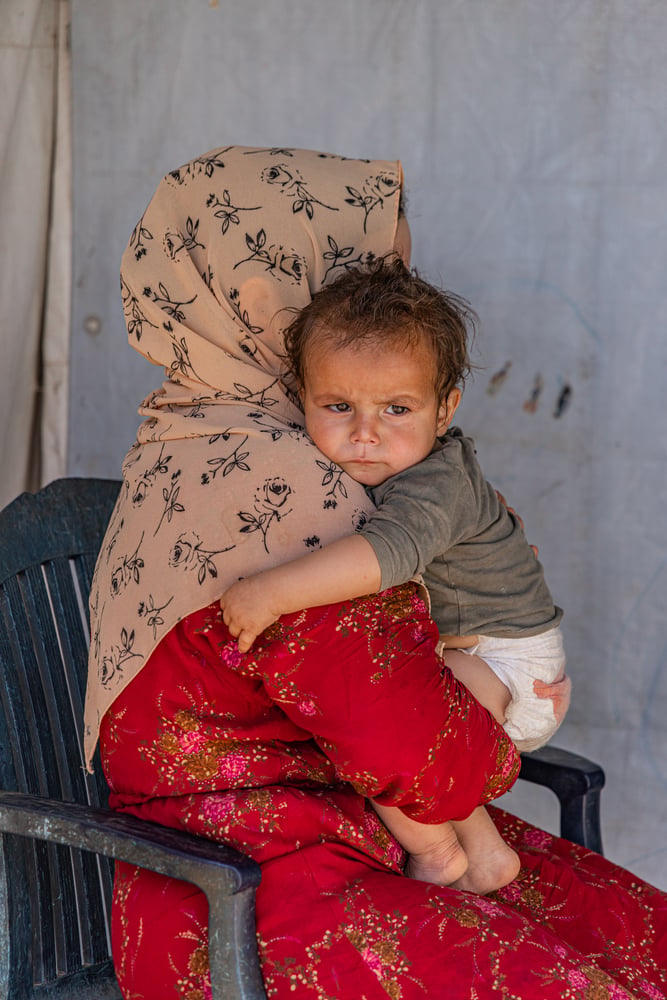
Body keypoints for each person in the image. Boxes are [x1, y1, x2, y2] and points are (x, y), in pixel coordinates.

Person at [85, 144, 667, 999]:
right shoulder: (286, 497)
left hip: (310, 843)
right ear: (278, 297)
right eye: (362, 270)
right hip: (255, 891)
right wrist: (508, 708)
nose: (385, 298)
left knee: (629, 935)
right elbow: (425, 757)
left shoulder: (195, 439)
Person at [218, 255, 570, 895]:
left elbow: (383, 555)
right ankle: (485, 852)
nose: (365, 434)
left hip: (507, 661)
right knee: (391, 715)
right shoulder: (362, 465)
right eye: (337, 405)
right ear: (302, 398)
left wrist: (269, 592)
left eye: (397, 409)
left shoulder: (435, 483)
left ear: (445, 410)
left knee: (384, 723)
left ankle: (439, 851)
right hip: (482, 651)